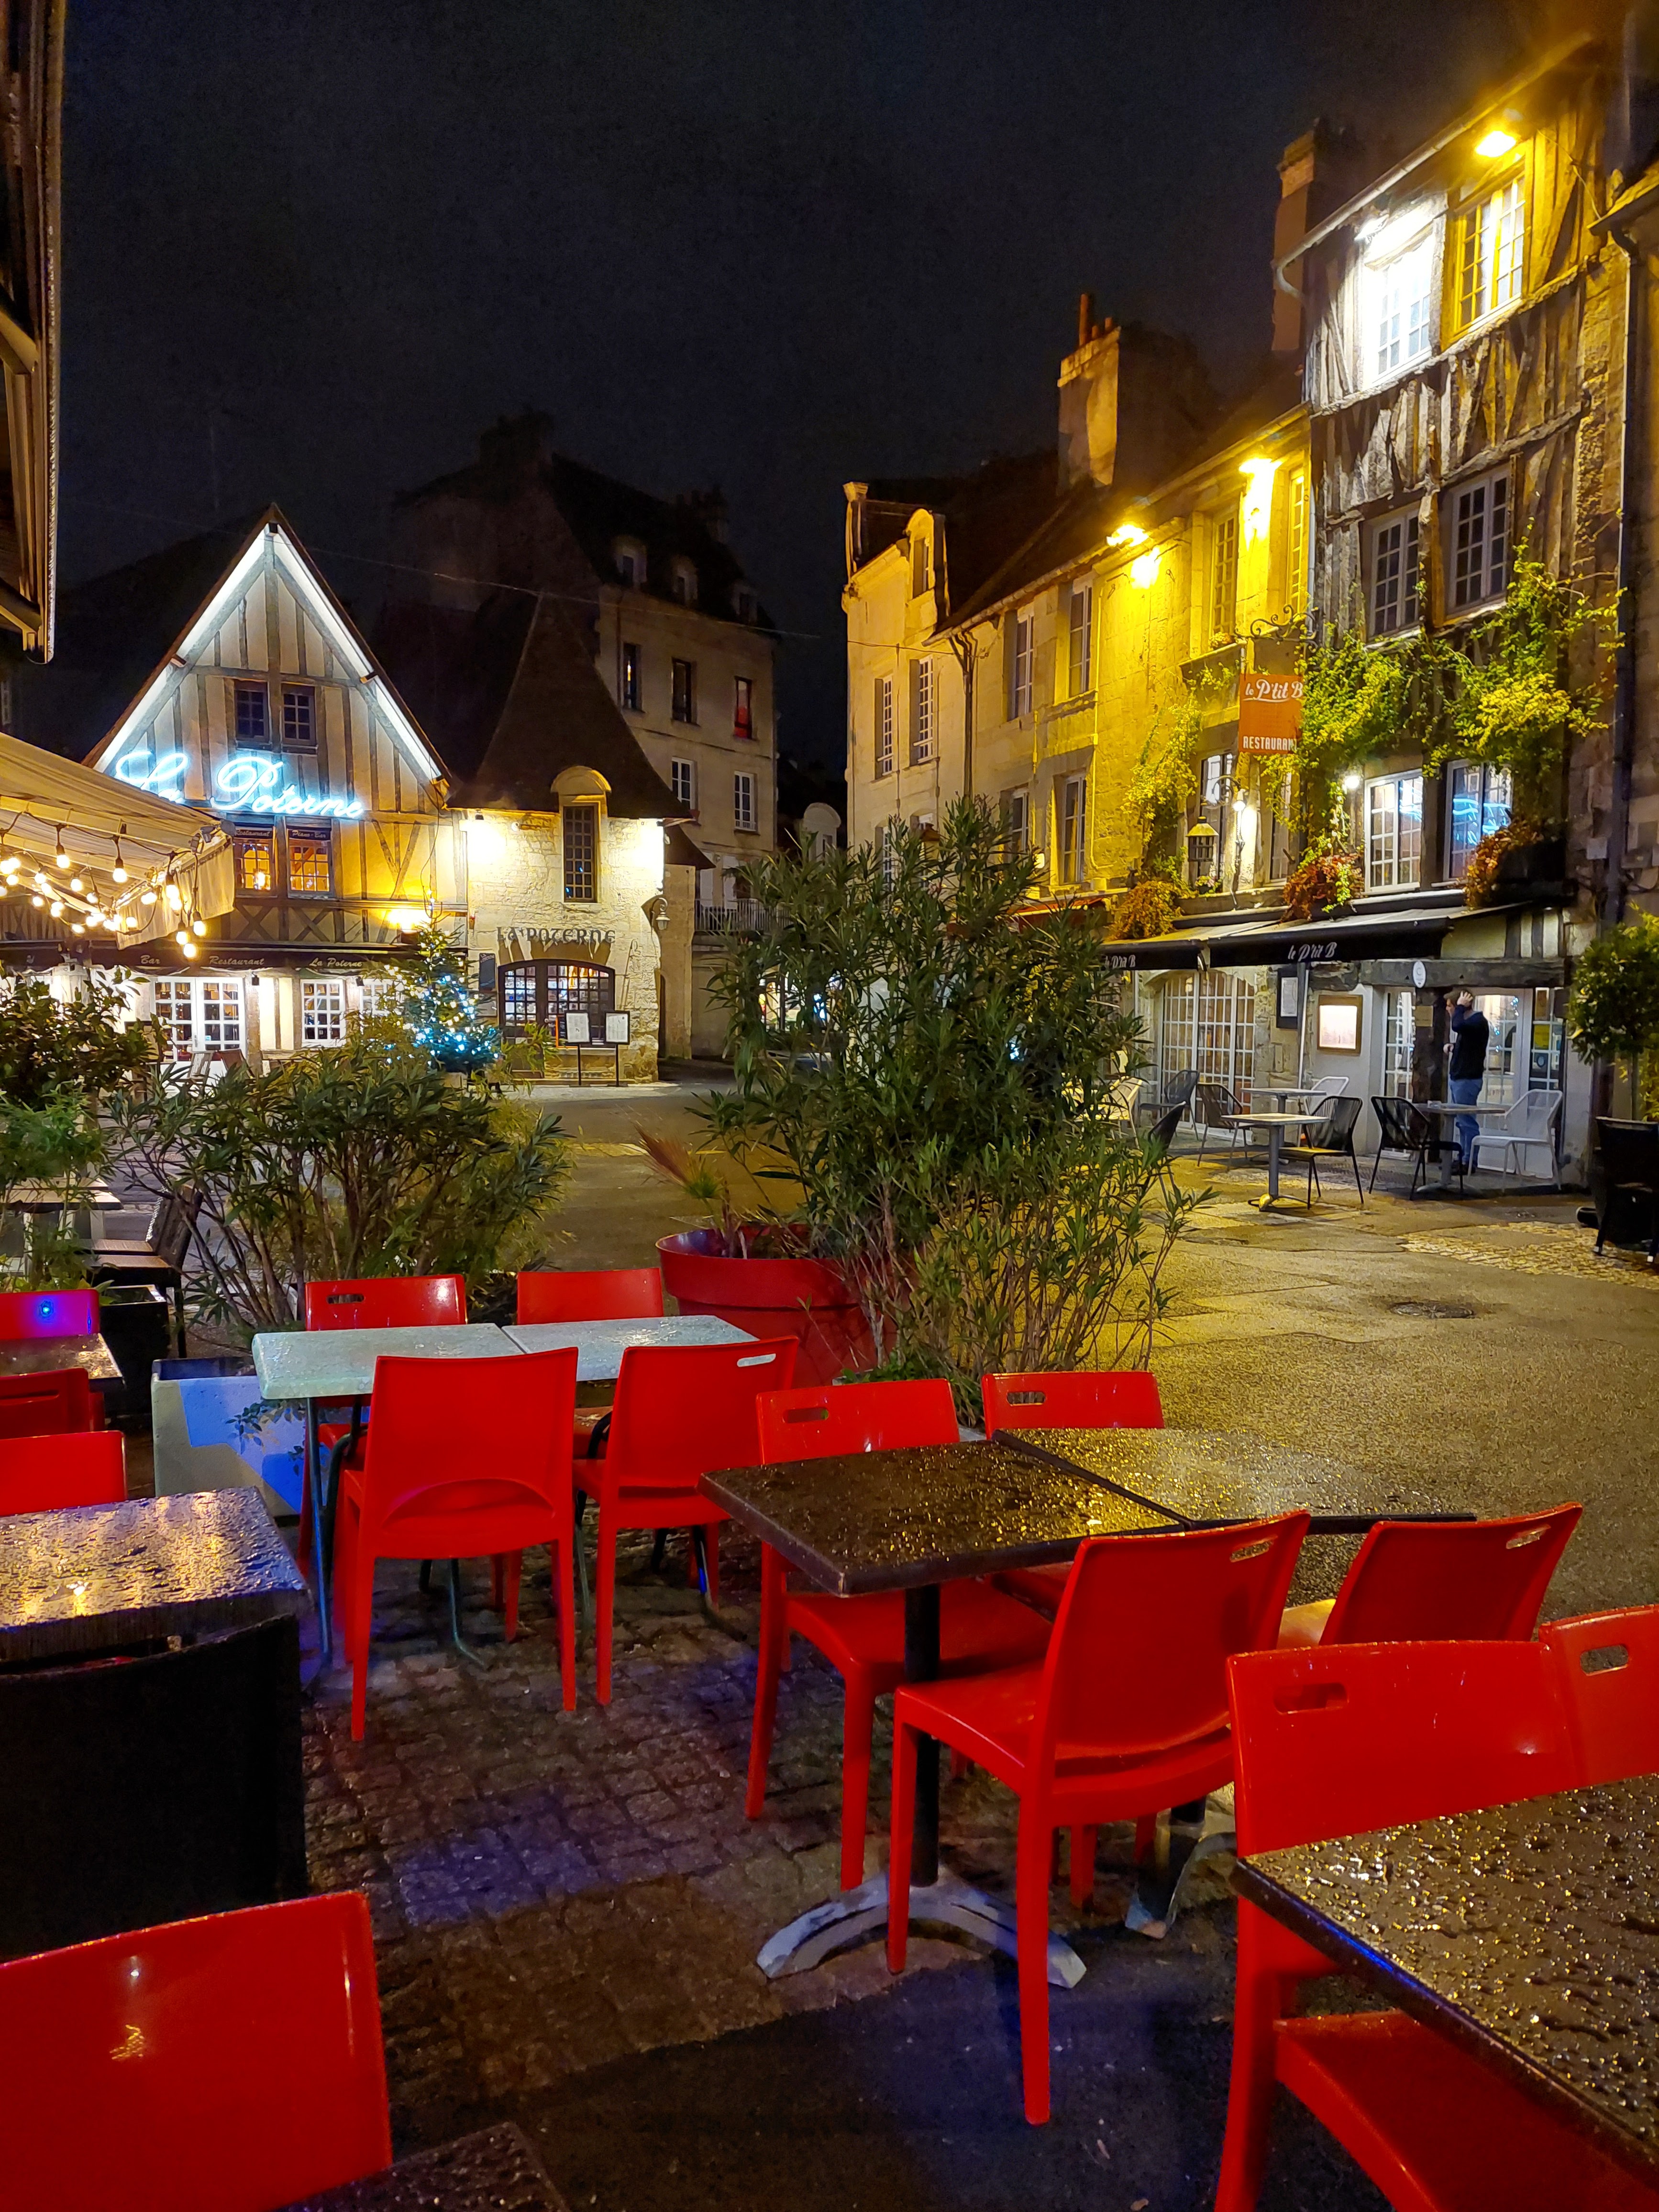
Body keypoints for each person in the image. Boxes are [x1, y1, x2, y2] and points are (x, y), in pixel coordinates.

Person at [1448, 990, 1489, 1170]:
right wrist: (1453, 1047)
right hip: (1459, 1078)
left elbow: (1457, 1026)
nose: (1449, 1010)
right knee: (1461, 1122)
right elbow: (1470, 1047)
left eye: (1450, 1006)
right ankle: (1463, 1157)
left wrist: (1459, 1007)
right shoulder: (1470, 1025)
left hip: (1467, 1079)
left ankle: (1470, 1161)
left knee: (1467, 1122)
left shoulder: (1477, 1022)